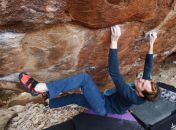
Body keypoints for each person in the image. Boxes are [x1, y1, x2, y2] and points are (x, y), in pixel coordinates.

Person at [19, 25, 160, 116]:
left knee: (84, 79)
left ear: (141, 94)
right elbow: (148, 68)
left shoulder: (132, 96)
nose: (142, 80)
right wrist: (152, 42)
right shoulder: (145, 91)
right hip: (106, 99)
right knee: (75, 98)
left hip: (103, 106)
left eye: (142, 84)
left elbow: (114, 73)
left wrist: (114, 41)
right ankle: (50, 103)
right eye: (145, 80)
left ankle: (40, 88)